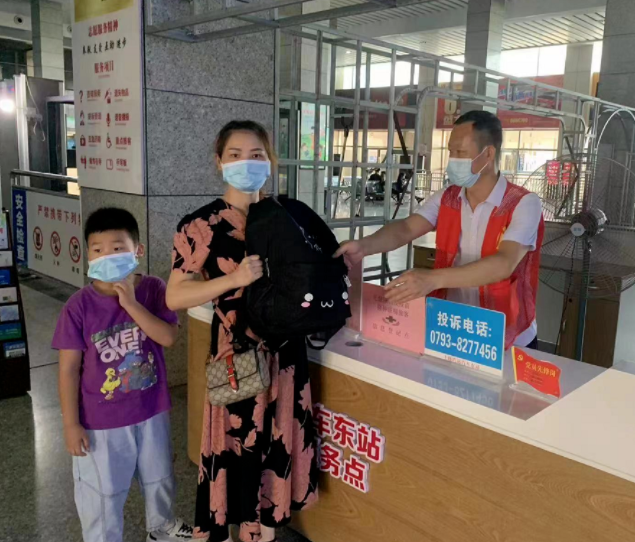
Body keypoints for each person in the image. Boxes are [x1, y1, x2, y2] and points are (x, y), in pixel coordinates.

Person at [166, 120, 318, 542]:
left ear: (270, 161)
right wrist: (234, 280)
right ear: (219, 162)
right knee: (240, 446)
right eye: (235, 155)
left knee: (275, 446)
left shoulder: (289, 216)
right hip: (236, 355)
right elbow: (175, 295)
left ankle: (264, 536)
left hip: (286, 355)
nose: (246, 163)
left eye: (256, 155)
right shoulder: (201, 225)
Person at [336, 110, 543, 349]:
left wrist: (432, 279)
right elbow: (406, 228)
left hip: (504, 335)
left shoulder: (523, 203)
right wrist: (364, 246)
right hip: (451, 328)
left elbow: (503, 264)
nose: (452, 160)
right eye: (450, 152)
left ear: (488, 154)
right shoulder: (448, 197)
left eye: (460, 153)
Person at [53, 208, 194, 542]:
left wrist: (130, 304)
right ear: (88, 255)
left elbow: (168, 337)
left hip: (151, 409)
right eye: (98, 250)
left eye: (117, 248)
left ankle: (161, 528)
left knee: (159, 477)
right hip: (100, 420)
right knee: (102, 492)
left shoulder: (153, 289)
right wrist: (71, 425)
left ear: (137, 250)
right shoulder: (78, 306)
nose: (107, 256)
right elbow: (69, 369)